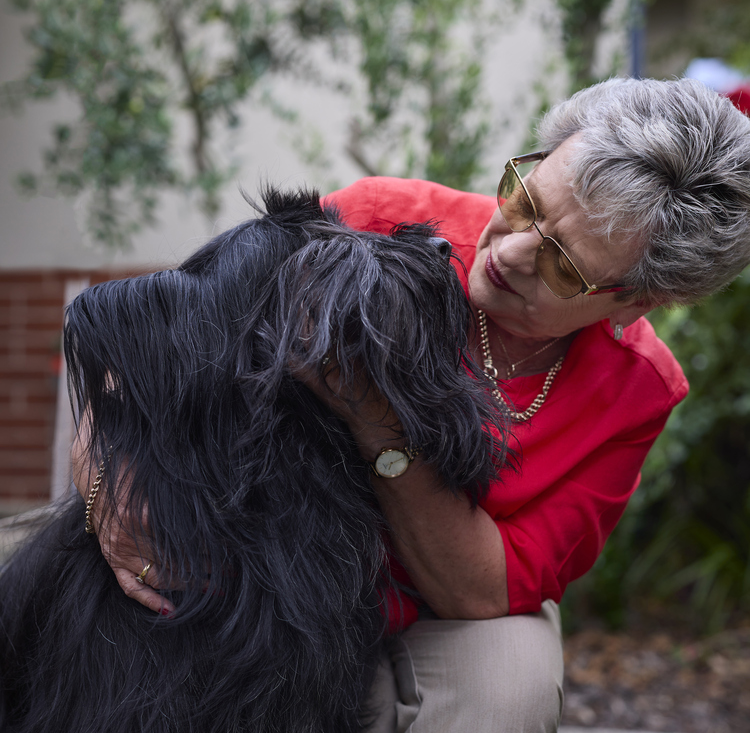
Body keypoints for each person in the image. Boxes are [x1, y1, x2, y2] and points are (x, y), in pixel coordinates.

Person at [75, 77, 750, 732]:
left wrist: (381, 427)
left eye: (562, 266)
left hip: (433, 615)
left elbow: (487, 590)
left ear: (635, 301)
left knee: (508, 679)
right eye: (525, 201)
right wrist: (105, 484)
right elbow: (155, 344)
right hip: (257, 578)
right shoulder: (379, 218)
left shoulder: (636, 392)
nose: (509, 251)